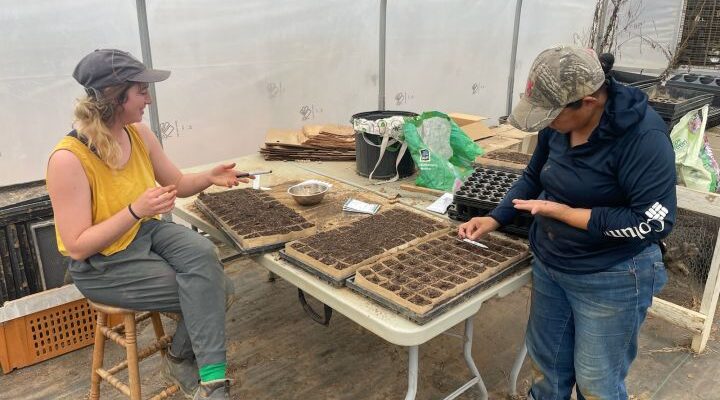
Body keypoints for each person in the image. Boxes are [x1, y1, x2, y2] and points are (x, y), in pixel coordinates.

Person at [458, 46, 676, 399]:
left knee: (597, 382)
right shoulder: (557, 126)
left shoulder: (643, 138)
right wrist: (495, 217)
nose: (545, 123)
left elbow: (654, 221)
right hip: (552, 265)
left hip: (612, 275)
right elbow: (533, 175)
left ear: (588, 102)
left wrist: (562, 212)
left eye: (551, 115)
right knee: (547, 367)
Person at [46, 49, 251, 400]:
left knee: (203, 252)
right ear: (114, 97)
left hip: (144, 233)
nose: (149, 101)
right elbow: (78, 244)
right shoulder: (69, 159)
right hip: (101, 263)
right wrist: (134, 210)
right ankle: (211, 381)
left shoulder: (139, 134)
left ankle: (182, 359)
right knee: (215, 290)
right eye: (141, 91)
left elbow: (178, 184)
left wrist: (208, 177)